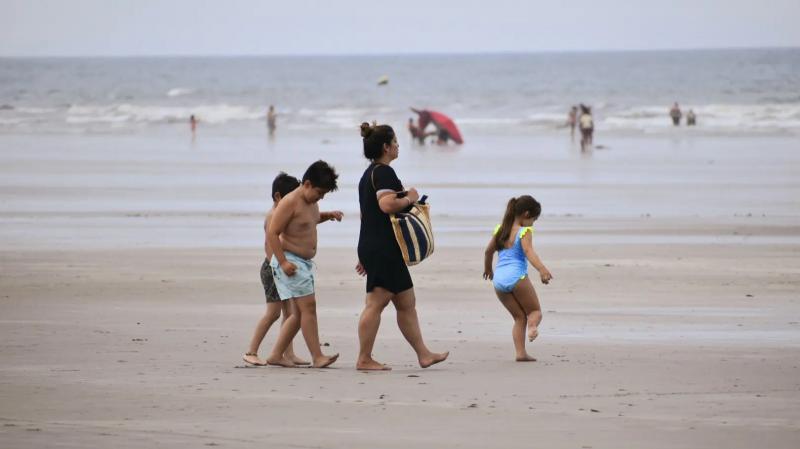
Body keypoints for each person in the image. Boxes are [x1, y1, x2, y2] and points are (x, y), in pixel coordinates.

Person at [354, 122, 449, 371]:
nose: (398, 146)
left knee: (406, 302)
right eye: (395, 142)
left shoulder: (368, 175)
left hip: (377, 245)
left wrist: (364, 252)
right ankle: (364, 358)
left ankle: (424, 355)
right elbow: (386, 205)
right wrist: (410, 198)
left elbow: (366, 215)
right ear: (386, 147)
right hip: (383, 247)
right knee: (376, 303)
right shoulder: (383, 172)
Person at [265, 160, 342, 368]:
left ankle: (276, 355)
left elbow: (309, 221)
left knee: (298, 314)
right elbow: (272, 232)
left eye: (324, 194)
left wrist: (328, 215)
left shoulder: (311, 202)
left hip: (304, 263)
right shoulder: (290, 202)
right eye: (319, 192)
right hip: (291, 261)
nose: (321, 197)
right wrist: (283, 262)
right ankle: (317, 356)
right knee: (309, 308)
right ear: (307, 184)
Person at [242, 173, 310, 367]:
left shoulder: (283, 213)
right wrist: (282, 263)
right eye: (291, 198)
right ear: (278, 197)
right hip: (273, 269)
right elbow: (273, 242)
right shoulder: (274, 215)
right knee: (273, 313)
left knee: (290, 313)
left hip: (281, 269)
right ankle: (251, 351)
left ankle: (287, 353)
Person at [483, 195, 553, 361]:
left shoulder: (500, 230)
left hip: (499, 280)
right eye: (533, 219)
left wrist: (488, 269)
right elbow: (528, 251)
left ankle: (521, 353)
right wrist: (542, 269)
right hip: (516, 277)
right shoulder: (524, 231)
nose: (532, 224)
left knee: (519, 317)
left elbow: (488, 251)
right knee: (534, 312)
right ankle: (532, 328)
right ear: (526, 214)